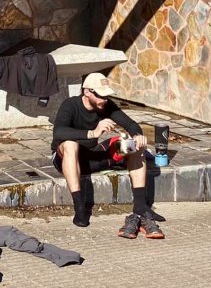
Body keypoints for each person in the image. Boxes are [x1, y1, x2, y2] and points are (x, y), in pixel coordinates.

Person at [51, 73, 164, 239]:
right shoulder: (70, 105)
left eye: (106, 95)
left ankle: (140, 206)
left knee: (132, 145)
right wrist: (93, 132)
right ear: (87, 92)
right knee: (69, 143)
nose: (104, 99)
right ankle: (80, 207)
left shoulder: (106, 105)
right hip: (67, 159)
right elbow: (58, 132)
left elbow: (131, 124)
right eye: (100, 95)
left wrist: (138, 135)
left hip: (92, 158)